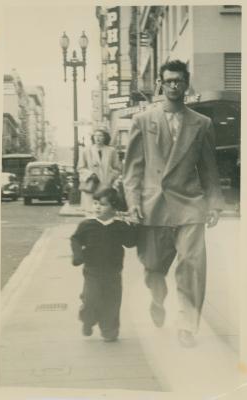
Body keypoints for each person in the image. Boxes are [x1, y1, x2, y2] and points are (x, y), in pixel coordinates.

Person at [123, 60, 224, 347]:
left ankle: (186, 325)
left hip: (190, 204)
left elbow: (208, 169)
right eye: (169, 81)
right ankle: (157, 300)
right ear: (161, 83)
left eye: (179, 81)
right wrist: (133, 203)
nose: (174, 86)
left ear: (186, 83)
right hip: (153, 205)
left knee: (192, 265)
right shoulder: (143, 120)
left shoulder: (202, 124)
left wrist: (214, 203)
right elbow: (132, 170)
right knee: (153, 268)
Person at [70, 188, 137, 342]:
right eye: (95, 203)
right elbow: (75, 239)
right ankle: (87, 320)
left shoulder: (120, 226)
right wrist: (78, 255)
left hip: (113, 272)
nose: (98, 207)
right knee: (91, 299)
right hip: (92, 270)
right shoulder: (87, 225)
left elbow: (130, 243)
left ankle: (109, 330)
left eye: (103, 204)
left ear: (114, 208)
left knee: (112, 301)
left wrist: (134, 226)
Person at [78, 127, 121, 212]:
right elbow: (80, 167)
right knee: (91, 210)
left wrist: (110, 177)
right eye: (95, 135)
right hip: (92, 185)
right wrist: (90, 174)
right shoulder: (87, 150)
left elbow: (118, 168)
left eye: (100, 135)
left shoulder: (111, 151)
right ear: (93, 137)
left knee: (105, 210)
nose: (98, 138)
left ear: (105, 137)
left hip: (106, 185)